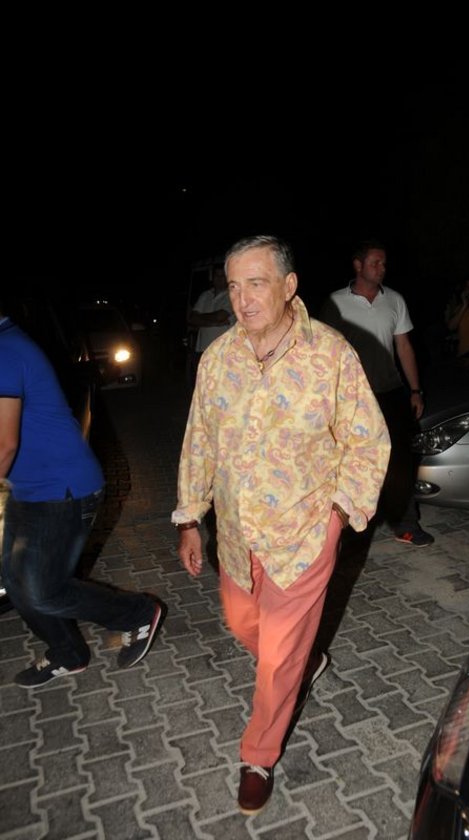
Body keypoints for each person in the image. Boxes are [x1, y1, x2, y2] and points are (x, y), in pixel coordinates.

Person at [172, 235, 390, 815]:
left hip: (304, 535)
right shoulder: (219, 359)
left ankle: (258, 756)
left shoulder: (331, 355)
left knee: (275, 661)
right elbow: (199, 443)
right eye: (234, 286)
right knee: (243, 623)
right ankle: (305, 662)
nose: (242, 299)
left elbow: (369, 442)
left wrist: (339, 515)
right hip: (238, 537)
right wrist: (190, 517)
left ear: (289, 286)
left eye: (256, 283)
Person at [0, 299, 164, 688]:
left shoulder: (5, 350)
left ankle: (138, 612)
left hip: (64, 490)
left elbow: (5, 445)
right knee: (16, 582)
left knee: (44, 590)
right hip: (30, 488)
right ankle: (68, 653)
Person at [320, 239, 434, 547]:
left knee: (400, 460)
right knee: (349, 461)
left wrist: (415, 390)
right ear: (358, 265)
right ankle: (342, 530)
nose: (382, 268)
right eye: (375, 263)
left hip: (390, 391)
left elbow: (404, 346)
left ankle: (406, 526)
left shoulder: (395, 299)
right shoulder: (335, 302)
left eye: (384, 263)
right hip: (351, 396)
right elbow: (324, 351)